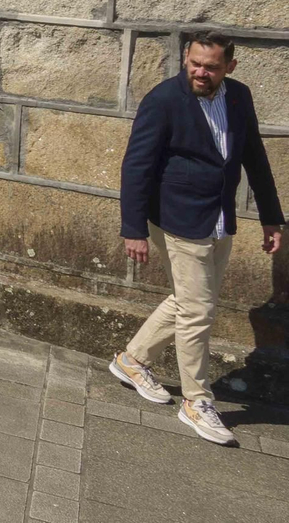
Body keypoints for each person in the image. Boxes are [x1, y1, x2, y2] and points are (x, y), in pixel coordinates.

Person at [110, 32, 284, 446]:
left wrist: (271, 218)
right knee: (199, 312)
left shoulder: (239, 97)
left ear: (230, 68)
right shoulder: (164, 99)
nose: (201, 72)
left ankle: (132, 360)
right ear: (185, 59)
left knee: (191, 302)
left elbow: (254, 156)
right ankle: (196, 401)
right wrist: (132, 229)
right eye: (195, 64)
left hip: (218, 218)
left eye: (211, 66)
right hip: (176, 218)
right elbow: (136, 167)